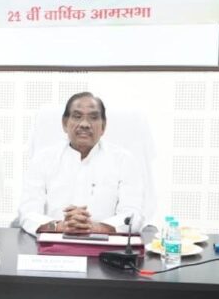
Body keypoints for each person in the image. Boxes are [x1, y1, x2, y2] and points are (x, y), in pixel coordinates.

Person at [18, 92, 145, 236]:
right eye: (77, 116)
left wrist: (95, 228)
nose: (84, 124)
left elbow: (133, 215)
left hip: (105, 244)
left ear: (103, 126)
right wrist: (60, 226)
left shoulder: (124, 161)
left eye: (93, 117)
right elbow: (28, 212)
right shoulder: (43, 160)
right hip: (53, 243)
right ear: (65, 123)